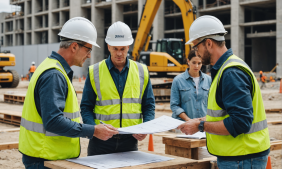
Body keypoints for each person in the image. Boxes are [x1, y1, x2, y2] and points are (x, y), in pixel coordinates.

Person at [19, 17, 118, 169]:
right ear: (74, 47)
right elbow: (53, 121)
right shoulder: (54, 74)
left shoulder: (52, 67)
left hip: (46, 156)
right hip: (45, 159)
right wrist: (93, 131)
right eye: (88, 49)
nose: (89, 55)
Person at [177, 15, 270, 169]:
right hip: (240, 156)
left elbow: (241, 122)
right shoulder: (226, 69)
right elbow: (230, 112)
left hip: (243, 158)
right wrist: (207, 119)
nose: (196, 52)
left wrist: (201, 126)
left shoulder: (231, 73)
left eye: (196, 46)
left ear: (208, 43)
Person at [80, 21, 155, 156]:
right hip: (100, 142)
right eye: (115, 48)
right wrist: (94, 130)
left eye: (123, 49)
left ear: (128, 47)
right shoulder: (95, 71)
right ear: (108, 46)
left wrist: (146, 127)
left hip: (129, 142)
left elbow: (148, 105)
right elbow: (86, 107)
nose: (119, 53)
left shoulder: (141, 71)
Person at [170, 50, 211, 121]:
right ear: (188, 61)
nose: (196, 66)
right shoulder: (178, 80)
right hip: (184, 125)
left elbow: (212, 103)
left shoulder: (209, 80)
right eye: (194, 63)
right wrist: (188, 120)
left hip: (203, 125)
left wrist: (206, 118)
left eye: (199, 63)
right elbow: (174, 105)